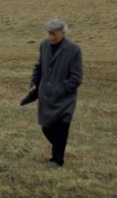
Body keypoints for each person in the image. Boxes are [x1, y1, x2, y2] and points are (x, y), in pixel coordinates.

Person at [27, 18, 83, 169]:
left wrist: (60, 89)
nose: (51, 37)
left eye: (54, 34)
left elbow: (76, 78)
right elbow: (39, 67)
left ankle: (57, 160)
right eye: (49, 34)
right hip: (46, 97)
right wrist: (34, 83)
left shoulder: (73, 50)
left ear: (63, 33)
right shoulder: (44, 46)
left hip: (65, 99)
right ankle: (59, 147)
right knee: (46, 127)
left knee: (62, 128)